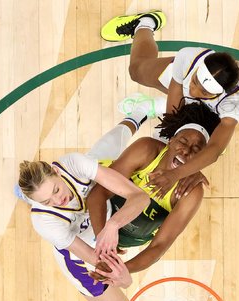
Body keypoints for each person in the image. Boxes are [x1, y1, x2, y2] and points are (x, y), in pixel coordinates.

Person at [16, 103, 158, 301]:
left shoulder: (73, 164)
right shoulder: (46, 223)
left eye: (56, 190)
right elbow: (95, 260)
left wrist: (113, 225)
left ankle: (136, 113)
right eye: (47, 201)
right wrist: (123, 277)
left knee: (106, 153)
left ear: (57, 172)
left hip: (97, 216)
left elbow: (139, 198)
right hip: (81, 257)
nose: (59, 200)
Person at [100, 10, 239, 198]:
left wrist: (179, 171)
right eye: (195, 82)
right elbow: (177, 91)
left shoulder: (233, 103)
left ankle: (151, 106)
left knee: (196, 148)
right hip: (181, 90)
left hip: (207, 120)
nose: (194, 92)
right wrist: (169, 133)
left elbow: (215, 149)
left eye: (204, 92)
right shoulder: (189, 57)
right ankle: (145, 23)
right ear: (198, 69)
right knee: (136, 71)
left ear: (219, 93)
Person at [87, 100, 221, 280]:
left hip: (126, 235)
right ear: (171, 140)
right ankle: (140, 111)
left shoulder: (191, 192)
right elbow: (98, 194)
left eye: (196, 150)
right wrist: (103, 243)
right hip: (99, 186)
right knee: (111, 142)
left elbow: (160, 245)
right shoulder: (146, 150)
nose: (186, 151)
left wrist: (119, 269)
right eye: (182, 141)